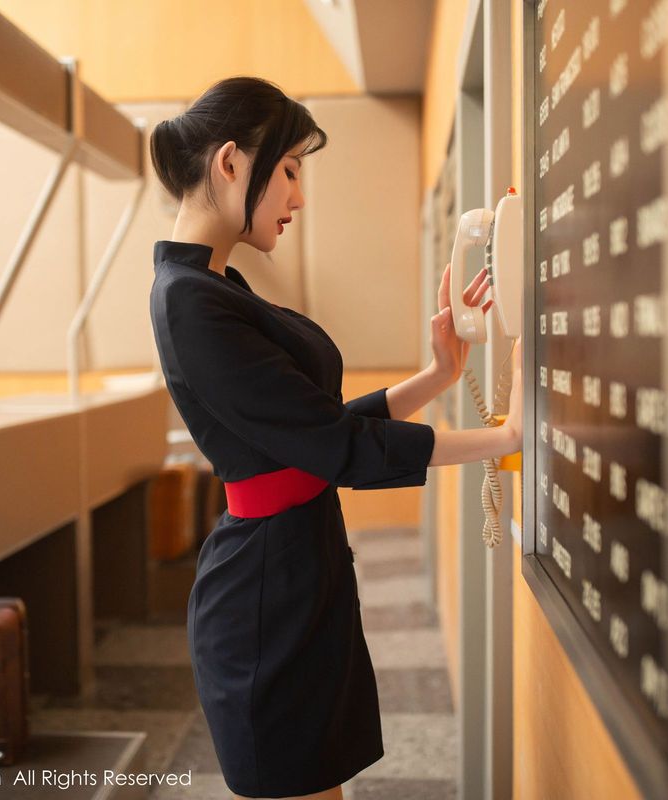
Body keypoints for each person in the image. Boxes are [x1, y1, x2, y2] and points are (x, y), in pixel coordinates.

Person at [148, 76, 522, 800]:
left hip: (295, 570)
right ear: (231, 163)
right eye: (289, 169)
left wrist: (440, 376)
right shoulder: (192, 300)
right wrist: (502, 439)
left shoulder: (214, 284)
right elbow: (336, 447)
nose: (299, 196)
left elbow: (314, 430)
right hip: (266, 600)